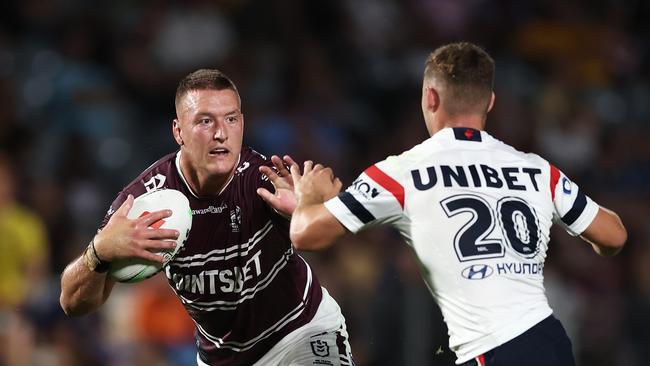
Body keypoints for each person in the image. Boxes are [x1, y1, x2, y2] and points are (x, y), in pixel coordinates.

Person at [288, 42, 626, 366]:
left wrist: (308, 197)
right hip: (549, 342)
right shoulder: (536, 169)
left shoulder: (402, 172)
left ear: (430, 97)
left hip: (492, 350)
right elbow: (614, 235)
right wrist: (596, 244)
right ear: (489, 102)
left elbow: (306, 235)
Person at [60, 69, 354, 366]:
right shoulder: (143, 203)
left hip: (300, 331)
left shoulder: (265, 180)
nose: (220, 133)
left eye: (231, 118)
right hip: (220, 359)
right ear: (178, 131)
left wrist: (314, 210)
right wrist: (98, 253)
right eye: (204, 121)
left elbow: (330, 240)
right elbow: (72, 303)